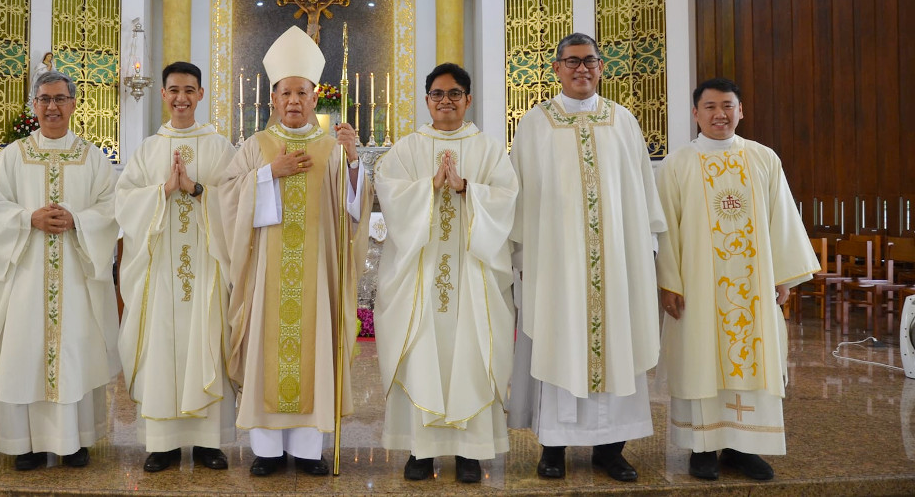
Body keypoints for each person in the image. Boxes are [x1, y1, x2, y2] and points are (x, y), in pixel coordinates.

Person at [507, 33, 666, 482]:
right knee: (559, 339)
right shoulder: (536, 123)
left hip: (616, 260)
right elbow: (520, 193)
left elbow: (641, 191)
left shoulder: (623, 120)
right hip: (557, 264)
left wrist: (645, 249)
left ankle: (611, 448)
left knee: (617, 342)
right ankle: (553, 447)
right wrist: (521, 255)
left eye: (590, 61)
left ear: (601, 68)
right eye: (572, 61)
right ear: (556, 68)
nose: (582, 69)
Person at [220, 25, 372, 476]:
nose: (293, 101)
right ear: (273, 99)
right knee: (268, 346)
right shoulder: (256, 147)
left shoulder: (331, 148)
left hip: (318, 274)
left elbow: (354, 208)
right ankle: (267, 451)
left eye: (301, 93)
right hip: (266, 274)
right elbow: (229, 199)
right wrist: (269, 173)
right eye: (285, 93)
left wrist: (355, 162)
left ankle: (308, 449)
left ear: (314, 97)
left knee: (313, 347)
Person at [656, 77, 818, 481]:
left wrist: (783, 274)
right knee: (700, 358)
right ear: (695, 114)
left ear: (740, 111)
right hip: (697, 288)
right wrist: (668, 282)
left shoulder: (764, 158)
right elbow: (666, 231)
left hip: (754, 288)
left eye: (727, 106)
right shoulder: (677, 164)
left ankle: (744, 447)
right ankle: (703, 448)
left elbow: (780, 219)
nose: (719, 114)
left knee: (752, 357)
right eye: (710, 107)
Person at [374, 63, 519, 483]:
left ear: (468, 99)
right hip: (420, 276)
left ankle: (470, 451)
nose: (446, 102)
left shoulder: (489, 149)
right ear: (427, 100)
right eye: (438, 94)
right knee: (421, 352)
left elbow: (508, 198)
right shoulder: (407, 149)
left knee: (472, 353)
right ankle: (421, 451)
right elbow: (389, 190)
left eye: (455, 94)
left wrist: (465, 189)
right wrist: (427, 188)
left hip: (473, 275)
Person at [0, 71, 121, 471]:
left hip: (76, 275)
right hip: (25, 275)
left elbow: (112, 208)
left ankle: (73, 441)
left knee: (74, 350)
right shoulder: (11, 156)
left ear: (74, 104)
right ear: (33, 105)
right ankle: (26, 443)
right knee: (25, 352)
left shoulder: (93, 157)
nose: (52, 107)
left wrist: (77, 218)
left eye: (60, 99)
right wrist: (27, 219)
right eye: (44, 99)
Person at [114, 61, 236, 473]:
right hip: (159, 270)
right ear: (162, 95)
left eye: (189, 90)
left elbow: (239, 202)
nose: (181, 98)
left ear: (201, 94)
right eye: (173, 90)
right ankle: (162, 444)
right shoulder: (148, 149)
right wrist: (162, 191)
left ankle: (208, 443)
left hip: (206, 266)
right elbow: (124, 202)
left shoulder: (220, 148)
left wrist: (198, 190)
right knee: (161, 343)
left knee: (206, 339)